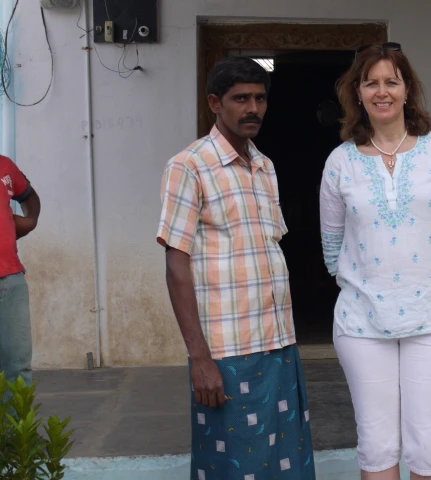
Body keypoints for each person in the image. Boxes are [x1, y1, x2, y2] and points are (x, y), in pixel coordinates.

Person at [319, 42, 431, 480]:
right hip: (363, 323)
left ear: (408, 91)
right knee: (377, 447)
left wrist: (425, 280)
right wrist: (378, 283)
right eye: (371, 83)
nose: (381, 91)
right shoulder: (339, 164)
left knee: (427, 448)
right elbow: (332, 249)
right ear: (358, 93)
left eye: (392, 81)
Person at [157, 56, 315, 480]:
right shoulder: (188, 166)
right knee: (236, 465)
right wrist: (199, 359)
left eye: (260, 98)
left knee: (287, 462)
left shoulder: (265, 167)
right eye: (240, 98)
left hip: (279, 344)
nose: (253, 108)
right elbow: (176, 265)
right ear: (215, 102)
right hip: (226, 353)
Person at [0, 156, 40, 388]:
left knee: (17, 367)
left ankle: (15, 425)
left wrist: (31, 220)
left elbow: (28, 195)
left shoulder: (4, 165)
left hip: (11, 281)